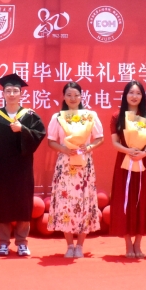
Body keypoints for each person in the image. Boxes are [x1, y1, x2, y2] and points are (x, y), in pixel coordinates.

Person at [0, 73, 46, 257]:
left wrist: (23, 129)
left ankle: (22, 242)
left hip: (22, 167)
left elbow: (39, 134)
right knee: (3, 203)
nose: (12, 94)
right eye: (8, 91)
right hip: (3, 167)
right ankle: (3, 243)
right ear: (3, 94)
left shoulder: (29, 115)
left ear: (21, 93)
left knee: (23, 203)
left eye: (15, 91)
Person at [46, 82, 104, 258]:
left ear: (81, 97)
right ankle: (69, 245)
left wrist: (89, 147)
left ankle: (80, 245)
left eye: (76, 95)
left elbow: (99, 138)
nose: (73, 98)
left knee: (84, 202)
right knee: (66, 203)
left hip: (84, 164)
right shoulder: (58, 117)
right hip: (65, 164)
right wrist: (64, 149)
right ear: (64, 97)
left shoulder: (90, 116)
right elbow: (51, 141)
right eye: (69, 95)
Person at [109, 80, 146, 258]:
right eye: (131, 92)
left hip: (143, 161)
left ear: (142, 96)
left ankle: (138, 243)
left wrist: (144, 152)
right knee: (125, 200)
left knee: (142, 200)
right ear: (125, 95)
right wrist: (128, 150)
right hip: (125, 161)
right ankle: (128, 243)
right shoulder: (117, 116)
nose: (134, 96)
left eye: (138, 93)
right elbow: (115, 142)